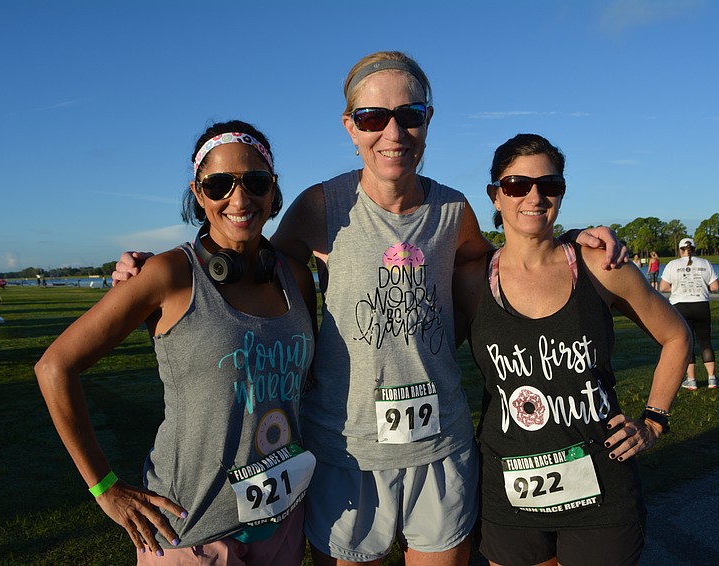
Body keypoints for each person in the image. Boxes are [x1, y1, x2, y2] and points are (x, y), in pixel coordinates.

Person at [113, 51, 625, 565]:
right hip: (346, 451)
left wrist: (567, 242)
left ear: (427, 121)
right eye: (373, 118)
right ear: (350, 128)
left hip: (440, 447)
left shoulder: (453, 211)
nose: (393, 133)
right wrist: (158, 274)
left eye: (410, 115)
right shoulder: (320, 206)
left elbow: (503, 264)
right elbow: (248, 258)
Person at [35, 120, 317, 565]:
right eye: (220, 184)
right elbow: (54, 367)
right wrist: (105, 489)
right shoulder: (169, 274)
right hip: (191, 534)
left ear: (273, 189)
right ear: (199, 193)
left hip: (282, 524)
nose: (239, 199)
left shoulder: (294, 278)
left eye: (255, 182)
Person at [453, 133, 690, 566]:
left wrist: (654, 422)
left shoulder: (600, 266)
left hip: (602, 484)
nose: (535, 196)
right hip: (509, 489)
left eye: (550, 185)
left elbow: (677, 336)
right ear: (495, 195)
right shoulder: (471, 280)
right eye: (516, 185)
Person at [660, 237, 719, 390]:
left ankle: (691, 379)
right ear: (694, 248)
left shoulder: (673, 265)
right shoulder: (705, 263)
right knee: (705, 341)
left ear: (680, 250)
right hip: (701, 305)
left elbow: (663, 287)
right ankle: (712, 378)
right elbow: (715, 286)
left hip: (680, 306)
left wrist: (677, 288)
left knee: (688, 342)